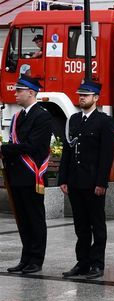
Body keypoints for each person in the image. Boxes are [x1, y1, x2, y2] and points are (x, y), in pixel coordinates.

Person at [59, 81, 114, 279]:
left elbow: (107, 155)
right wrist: (62, 178)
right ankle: (82, 262)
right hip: (75, 181)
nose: (81, 98)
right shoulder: (73, 119)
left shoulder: (103, 121)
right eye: (80, 95)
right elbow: (67, 150)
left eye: (86, 95)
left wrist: (102, 182)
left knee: (97, 224)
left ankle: (97, 264)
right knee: (80, 225)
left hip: (93, 182)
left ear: (96, 98)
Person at [1, 75, 53, 274]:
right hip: (17, 175)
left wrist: (4, 149)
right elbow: (17, 144)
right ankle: (26, 258)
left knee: (34, 218)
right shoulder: (18, 116)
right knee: (22, 219)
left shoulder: (42, 116)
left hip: (32, 175)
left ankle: (36, 260)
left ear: (31, 92)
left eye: (19, 91)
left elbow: (32, 145)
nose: (15, 94)